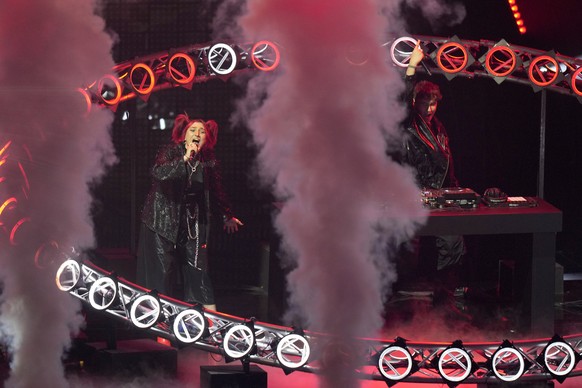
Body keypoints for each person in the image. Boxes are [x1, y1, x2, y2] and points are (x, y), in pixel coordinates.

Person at [136, 114, 243, 311]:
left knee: (198, 268)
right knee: (162, 272)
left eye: (202, 132)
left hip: (191, 223)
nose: (197, 134)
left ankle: (208, 323)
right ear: (184, 136)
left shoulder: (208, 160)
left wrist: (227, 214)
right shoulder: (171, 151)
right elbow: (159, 173)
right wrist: (184, 159)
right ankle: (158, 323)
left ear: (207, 139)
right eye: (192, 130)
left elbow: (216, 189)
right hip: (161, 219)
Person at [399, 44, 466, 296]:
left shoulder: (438, 126)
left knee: (452, 241)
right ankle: (403, 289)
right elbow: (402, 98)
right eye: (424, 104)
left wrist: (456, 189)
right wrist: (412, 65)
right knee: (408, 245)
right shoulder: (408, 124)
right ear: (415, 102)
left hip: (441, 194)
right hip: (413, 194)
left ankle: (446, 289)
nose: (429, 109)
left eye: (433, 105)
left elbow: (447, 162)